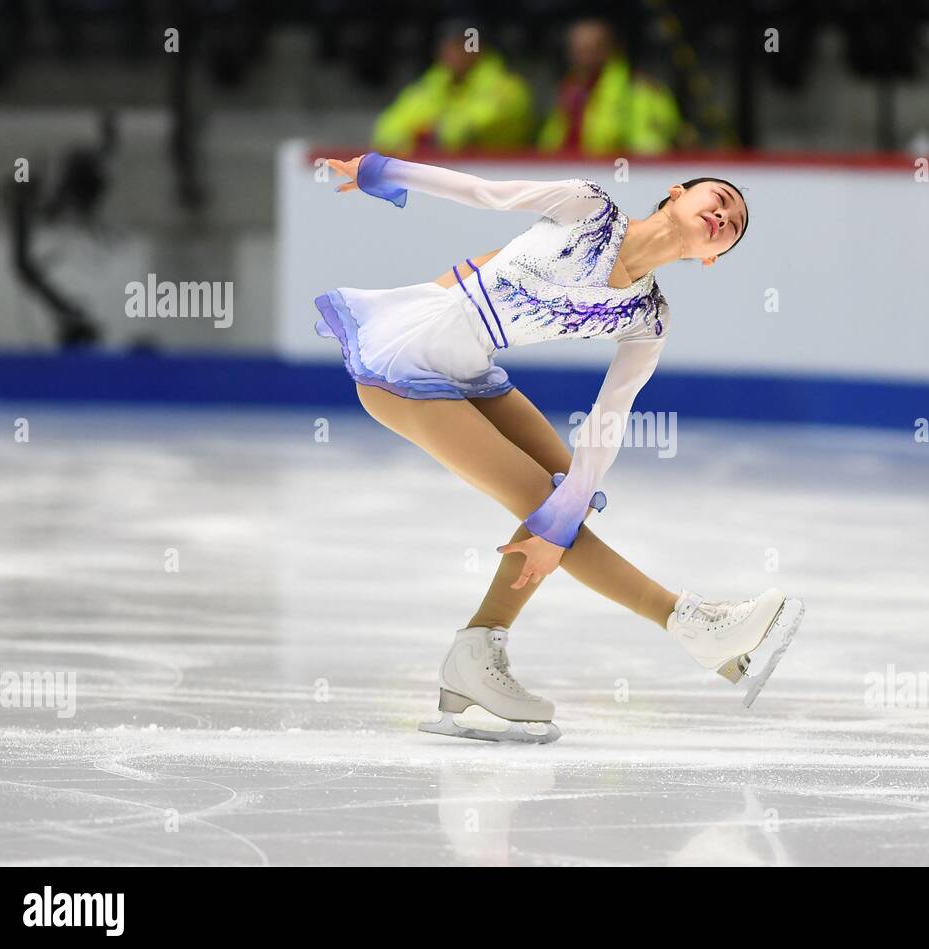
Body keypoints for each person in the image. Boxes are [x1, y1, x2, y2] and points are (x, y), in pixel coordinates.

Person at [314, 152, 802, 742]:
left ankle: (479, 653)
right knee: (548, 511)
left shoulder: (648, 318)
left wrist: (563, 516)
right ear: (675, 193)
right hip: (405, 358)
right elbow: (484, 192)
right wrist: (380, 170)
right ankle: (687, 622)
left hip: (468, 367)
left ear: (710, 258)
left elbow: (607, 421)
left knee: (565, 501)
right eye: (719, 200)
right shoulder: (587, 205)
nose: (724, 216)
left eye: (733, 226)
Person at [370, 22, 534, 154]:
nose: (452, 53)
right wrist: (420, 136)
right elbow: (386, 131)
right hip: (434, 174)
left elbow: (471, 129)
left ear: (479, 48)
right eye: (448, 46)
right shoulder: (428, 85)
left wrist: (426, 133)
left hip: (495, 173)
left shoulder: (507, 88)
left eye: (460, 45)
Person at [537, 18, 683, 155]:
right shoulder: (570, 89)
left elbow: (649, 150)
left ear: (609, 51)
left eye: (589, 51)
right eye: (575, 51)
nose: (580, 59)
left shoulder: (638, 89)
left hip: (616, 174)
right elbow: (551, 141)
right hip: (568, 173)